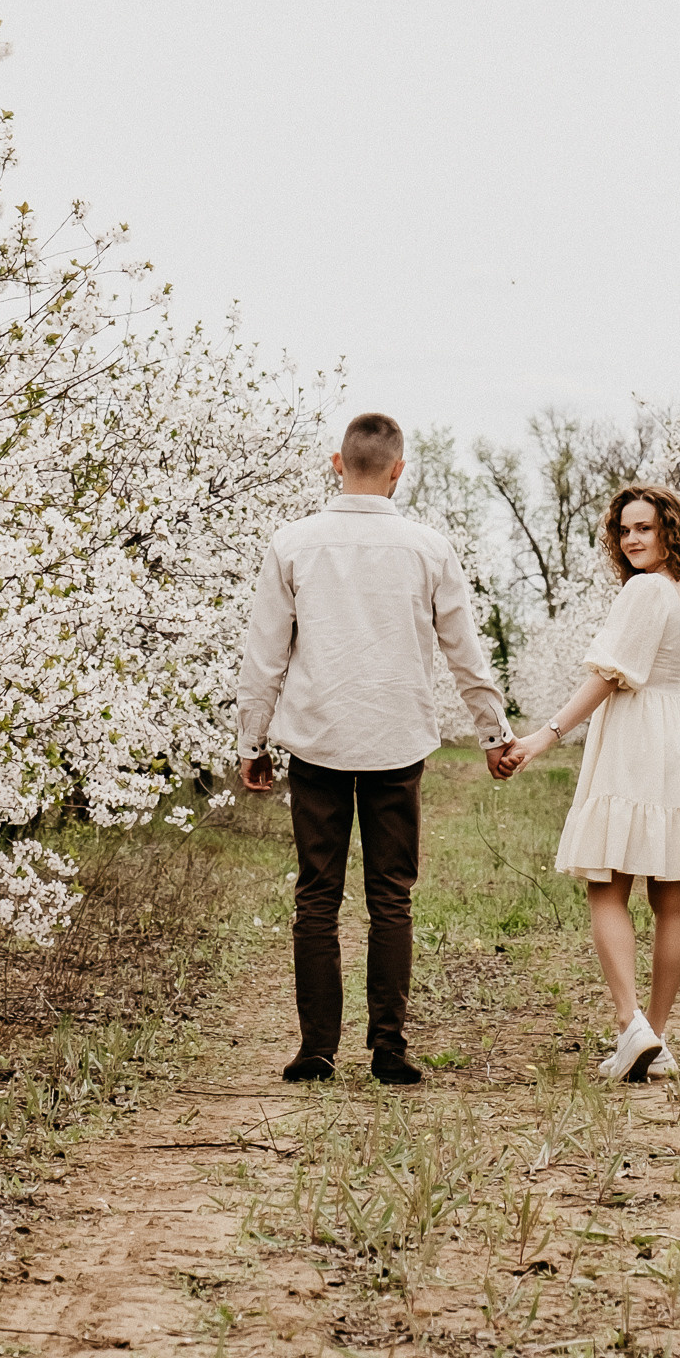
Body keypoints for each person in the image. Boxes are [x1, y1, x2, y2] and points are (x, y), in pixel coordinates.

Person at [238, 409, 514, 1087]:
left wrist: (252, 740)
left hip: (317, 740)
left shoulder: (292, 543)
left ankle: (316, 1050)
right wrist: (493, 734)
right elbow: (465, 652)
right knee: (391, 898)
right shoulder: (429, 548)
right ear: (399, 470)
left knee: (316, 897)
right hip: (396, 739)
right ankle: (388, 1048)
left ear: (337, 463)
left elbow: (264, 655)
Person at [495, 483, 680, 1082]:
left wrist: (545, 735)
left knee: (606, 885)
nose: (631, 540)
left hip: (636, 734)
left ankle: (631, 1024)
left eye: (644, 528)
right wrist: (678, 741)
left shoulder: (646, 590)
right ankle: (657, 1037)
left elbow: (609, 676)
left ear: (671, 529)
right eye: (624, 530)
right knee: (672, 898)